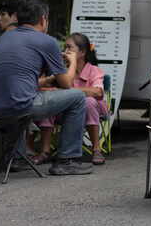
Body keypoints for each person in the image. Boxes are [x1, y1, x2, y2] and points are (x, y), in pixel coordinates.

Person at [0, 0, 92, 175]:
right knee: (77, 98)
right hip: (18, 106)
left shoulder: (6, 37)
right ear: (43, 19)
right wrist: (73, 61)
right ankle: (67, 160)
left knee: (15, 96)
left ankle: (15, 158)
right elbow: (66, 84)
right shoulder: (46, 41)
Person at [34, 33, 108, 165]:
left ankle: (96, 149)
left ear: (82, 52)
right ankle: (45, 151)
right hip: (64, 113)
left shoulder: (94, 70)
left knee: (88, 101)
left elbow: (97, 92)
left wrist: (67, 93)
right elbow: (45, 89)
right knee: (49, 101)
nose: (65, 51)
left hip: (90, 111)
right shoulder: (62, 71)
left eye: (69, 48)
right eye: (64, 48)